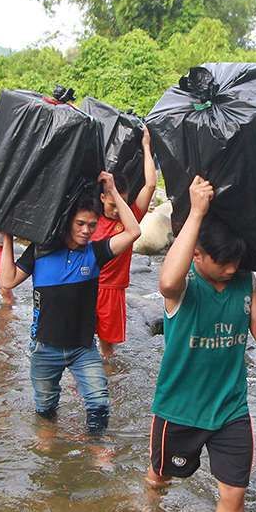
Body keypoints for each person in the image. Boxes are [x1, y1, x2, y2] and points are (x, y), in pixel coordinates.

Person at [145, 177, 256, 512]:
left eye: (235, 261)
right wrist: (197, 211)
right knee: (159, 479)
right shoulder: (183, 287)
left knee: (234, 494)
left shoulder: (244, 281)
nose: (231, 269)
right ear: (197, 255)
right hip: (179, 410)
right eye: (223, 263)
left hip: (231, 409)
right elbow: (166, 282)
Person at [0, 173, 142, 434]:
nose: (87, 230)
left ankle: (95, 448)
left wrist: (112, 189)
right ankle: (48, 449)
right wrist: (6, 237)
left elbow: (134, 231)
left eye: (92, 225)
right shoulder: (41, 251)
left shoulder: (96, 253)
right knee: (45, 409)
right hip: (45, 348)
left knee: (99, 404)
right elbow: (7, 281)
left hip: (82, 349)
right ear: (67, 223)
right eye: (80, 224)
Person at [92, 126, 158, 358]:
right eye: (111, 205)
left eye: (120, 204)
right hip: (86, 286)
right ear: (102, 198)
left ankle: (109, 385)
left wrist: (147, 146)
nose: (116, 211)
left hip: (113, 291)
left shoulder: (129, 217)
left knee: (108, 350)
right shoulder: (89, 220)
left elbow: (150, 185)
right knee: (78, 345)